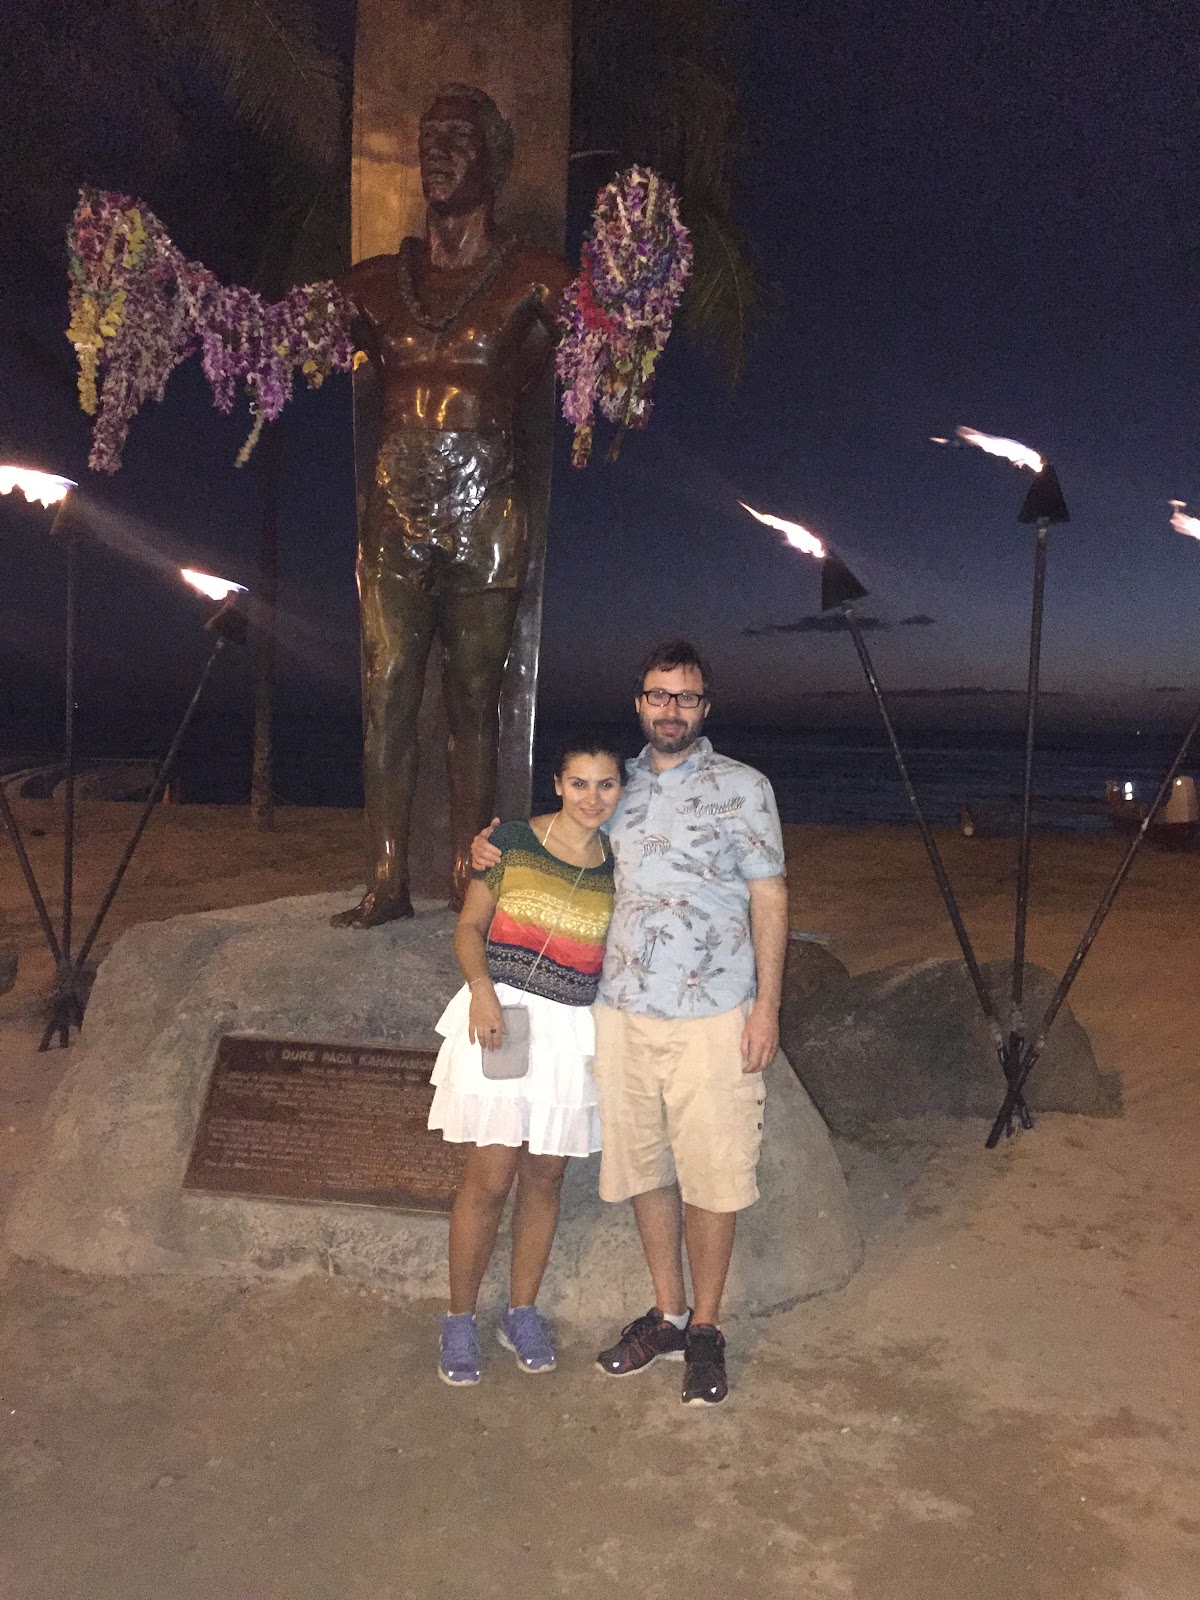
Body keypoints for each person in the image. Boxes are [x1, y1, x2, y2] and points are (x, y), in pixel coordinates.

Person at [474, 640, 787, 1405]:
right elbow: (558, 837)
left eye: (685, 697)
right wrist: (488, 846)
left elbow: (770, 898)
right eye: (658, 695)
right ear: (640, 703)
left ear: (704, 707)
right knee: (645, 1168)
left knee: (713, 1173)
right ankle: (668, 1314)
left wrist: (767, 1008)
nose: (670, 709)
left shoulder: (744, 788)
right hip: (618, 1015)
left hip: (714, 1015)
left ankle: (706, 1327)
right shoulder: (618, 789)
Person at [331, 84, 574, 927]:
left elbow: (612, 342)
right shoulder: (374, 285)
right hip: (395, 513)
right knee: (387, 690)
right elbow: (274, 335)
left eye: (458, 138)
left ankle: (475, 883)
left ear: (495, 160)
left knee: (475, 702)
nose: (436, 152)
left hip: (487, 512)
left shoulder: (534, 278)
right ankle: (385, 879)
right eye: (427, 137)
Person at [429, 733, 622, 1386]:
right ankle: (459, 1317)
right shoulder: (511, 841)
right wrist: (481, 990)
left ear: (619, 792)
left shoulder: (618, 864)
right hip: (503, 1018)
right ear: (558, 785)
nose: (592, 797)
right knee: (489, 1178)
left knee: (545, 1178)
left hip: (571, 1032)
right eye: (579, 783)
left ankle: (521, 1311)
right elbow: (468, 927)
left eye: (606, 784)